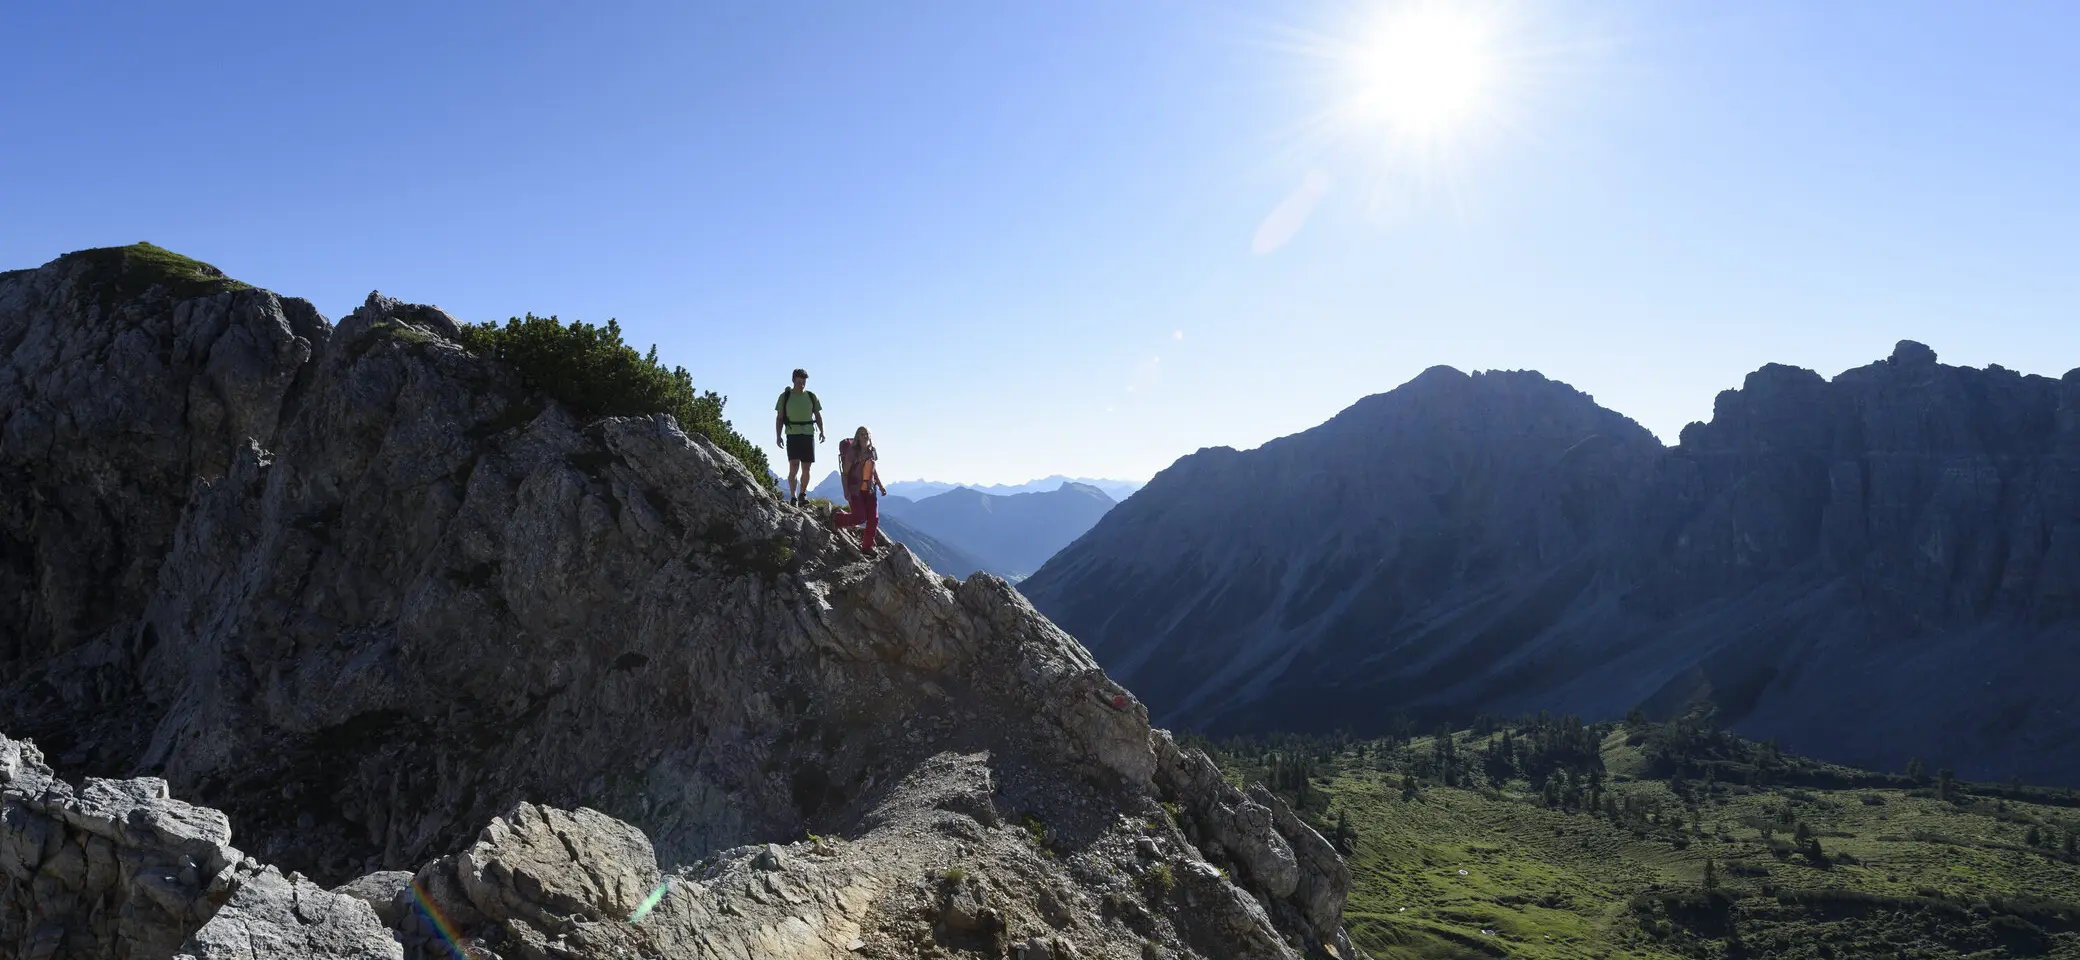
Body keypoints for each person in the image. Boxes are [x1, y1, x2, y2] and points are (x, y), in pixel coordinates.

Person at [831, 426, 888, 552]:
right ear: (857, 436)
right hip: (855, 490)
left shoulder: (872, 451)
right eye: (862, 434)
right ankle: (837, 519)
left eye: (867, 434)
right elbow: (845, 474)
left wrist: (880, 485)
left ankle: (867, 547)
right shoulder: (852, 453)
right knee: (860, 517)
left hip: (870, 490)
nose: (865, 436)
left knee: (874, 518)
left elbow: (874, 471)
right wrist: (846, 491)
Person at [773, 368, 825, 506]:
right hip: (792, 434)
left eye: (804, 382)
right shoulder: (785, 397)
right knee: (794, 466)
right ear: (793, 380)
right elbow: (779, 418)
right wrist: (778, 436)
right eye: (799, 381)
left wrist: (822, 431)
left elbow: (818, 416)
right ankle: (793, 496)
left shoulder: (811, 396)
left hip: (808, 434)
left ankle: (802, 494)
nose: (801, 384)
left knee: (806, 467)